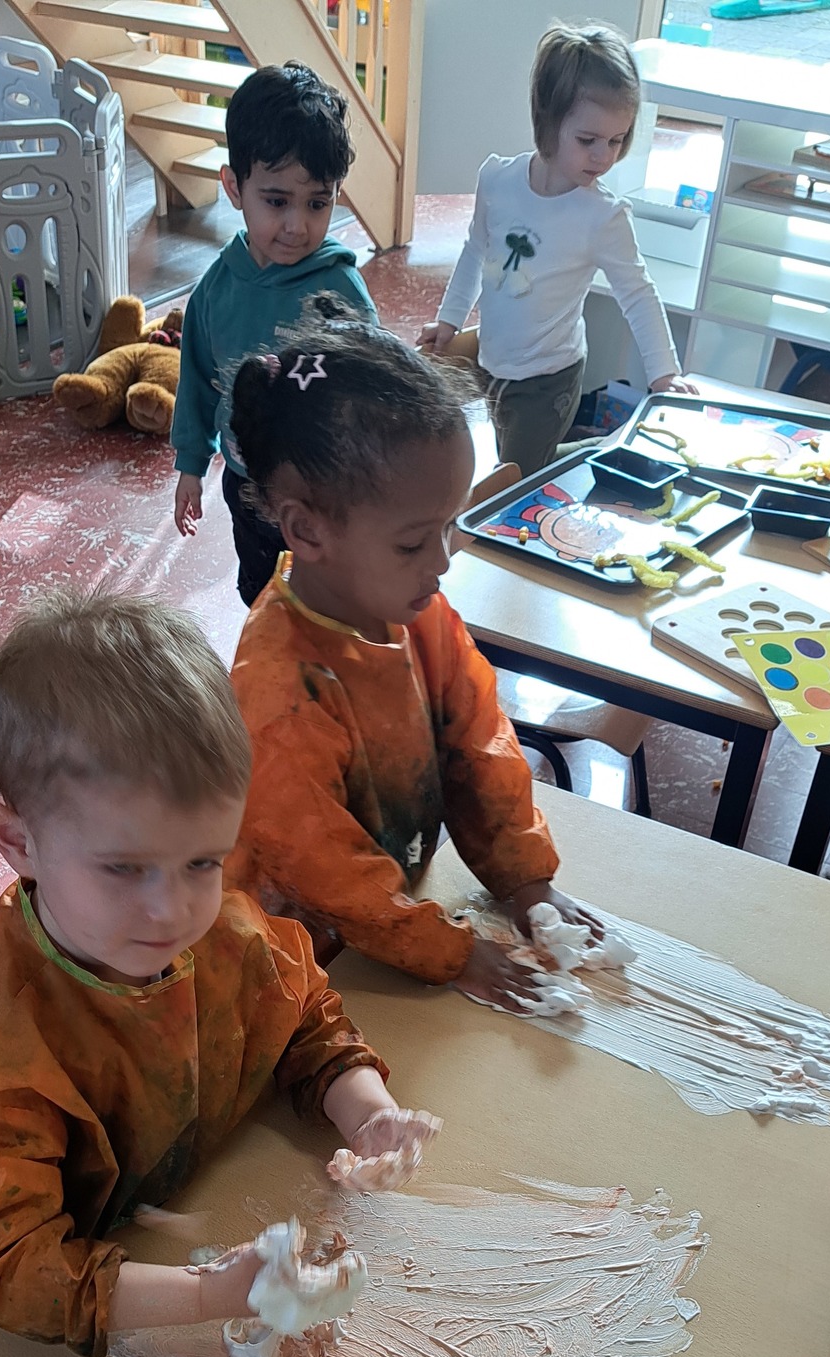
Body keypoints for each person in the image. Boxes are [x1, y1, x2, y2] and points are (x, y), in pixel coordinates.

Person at [0, 592, 437, 1357]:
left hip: (188, 1210)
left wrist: (365, 1111)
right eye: (122, 868)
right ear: (18, 841)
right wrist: (212, 1295)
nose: (172, 910)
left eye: (203, 861)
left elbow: (304, 1018)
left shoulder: (222, 932)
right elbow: (11, 1270)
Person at [225, 311, 602, 1011]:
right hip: (294, 970)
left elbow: (480, 746)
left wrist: (525, 882)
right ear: (307, 530)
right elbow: (322, 871)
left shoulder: (416, 613)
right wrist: (447, 952)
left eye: (448, 528)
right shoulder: (278, 693)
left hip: (390, 921)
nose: (442, 562)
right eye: (412, 543)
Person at [419, 23, 696, 476]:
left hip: (550, 378)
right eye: (588, 140)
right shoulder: (497, 180)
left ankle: (603, 449)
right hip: (492, 363)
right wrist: (449, 320)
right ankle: (594, 449)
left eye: (617, 140)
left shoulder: (602, 217)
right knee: (518, 464)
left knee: (515, 479)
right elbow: (475, 251)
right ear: (548, 120)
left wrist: (665, 374)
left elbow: (638, 293)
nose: (604, 156)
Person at [171, 60, 377, 606]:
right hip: (245, 484)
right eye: (277, 201)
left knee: (325, 605)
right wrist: (191, 465)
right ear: (234, 187)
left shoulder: (339, 291)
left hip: (322, 495)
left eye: (318, 203)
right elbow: (197, 382)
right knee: (262, 600)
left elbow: (377, 394)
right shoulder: (215, 290)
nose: (297, 226)